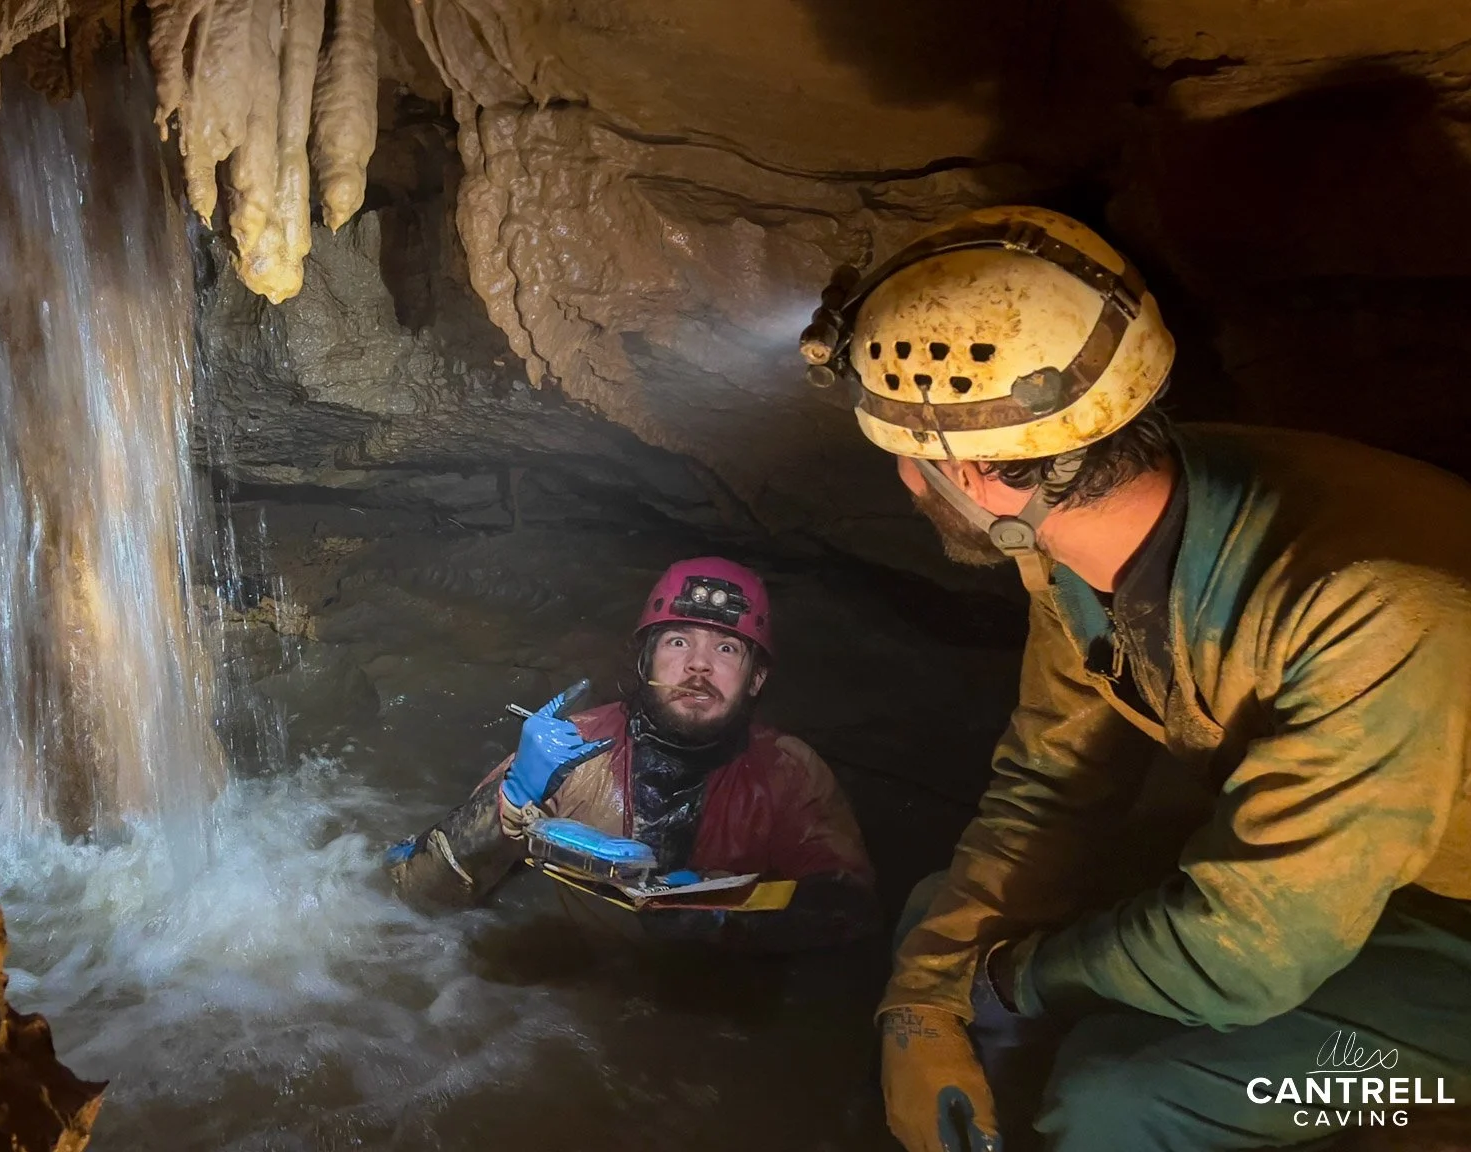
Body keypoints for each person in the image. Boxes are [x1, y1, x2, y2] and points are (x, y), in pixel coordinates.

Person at [799, 205, 1471, 1151]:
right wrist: (929, 998)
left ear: (980, 471)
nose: (906, 486)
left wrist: (1010, 983)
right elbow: (1051, 785)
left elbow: (1251, 955)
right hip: (1343, 871)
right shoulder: (1075, 539)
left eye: (910, 462)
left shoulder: (1372, 609)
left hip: (1452, 928)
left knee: (1119, 1100)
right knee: (938, 928)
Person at [385, 557, 880, 953]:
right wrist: (507, 802)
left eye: (727, 649)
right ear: (646, 662)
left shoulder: (788, 774)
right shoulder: (572, 751)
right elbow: (416, 897)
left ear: (756, 678)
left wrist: (728, 920)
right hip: (564, 993)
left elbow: (851, 911)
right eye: (678, 641)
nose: (698, 665)